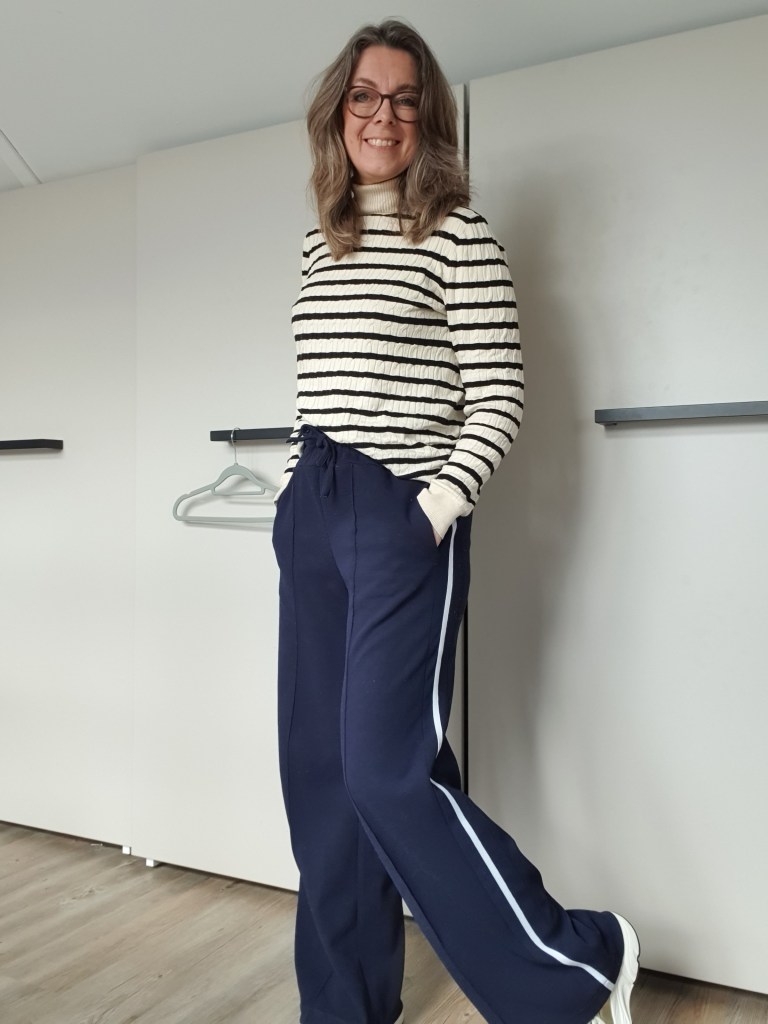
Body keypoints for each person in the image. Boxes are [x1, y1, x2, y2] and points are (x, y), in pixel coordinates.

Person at [271, 19, 639, 1024]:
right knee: (322, 778)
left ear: (426, 118)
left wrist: (432, 510)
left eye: (404, 99)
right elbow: (322, 388)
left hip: (400, 511)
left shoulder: (458, 234)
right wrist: (295, 499)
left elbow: (500, 394)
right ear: (337, 114)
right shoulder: (320, 242)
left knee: (384, 773)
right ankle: (345, 1009)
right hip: (316, 510)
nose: (382, 116)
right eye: (364, 96)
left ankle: (580, 961)